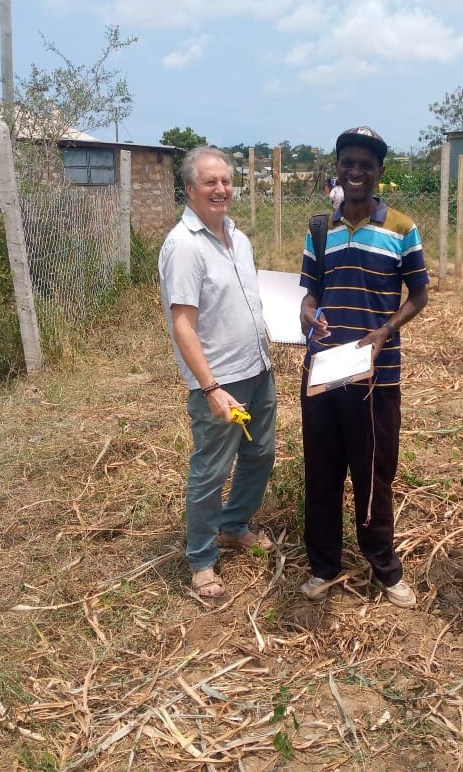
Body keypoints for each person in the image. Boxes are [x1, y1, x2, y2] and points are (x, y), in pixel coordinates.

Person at [298, 126, 429, 608]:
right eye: (348, 162)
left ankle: (384, 568)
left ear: (379, 172)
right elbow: (311, 290)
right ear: (337, 166)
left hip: (377, 374)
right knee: (322, 472)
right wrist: (308, 311)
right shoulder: (319, 228)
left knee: (375, 474)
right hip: (324, 368)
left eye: (366, 165)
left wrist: (384, 331)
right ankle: (324, 566)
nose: (356, 172)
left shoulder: (401, 228)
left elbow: (419, 296)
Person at [158, 146, 276, 600]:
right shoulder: (183, 246)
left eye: (226, 181)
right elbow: (183, 325)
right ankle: (202, 559)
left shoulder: (236, 237)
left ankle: (233, 524)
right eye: (210, 182)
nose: (221, 189)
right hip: (221, 380)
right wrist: (210, 388)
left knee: (260, 455)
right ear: (189, 189)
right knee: (211, 469)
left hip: (257, 368)